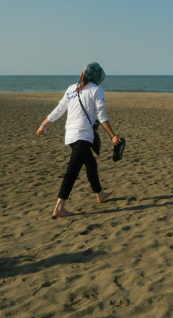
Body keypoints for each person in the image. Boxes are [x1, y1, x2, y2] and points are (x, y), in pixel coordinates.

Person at [36, 63, 122, 218]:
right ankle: (59, 207)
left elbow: (59, 110)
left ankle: (100, 194)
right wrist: (112, 136)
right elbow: (102, 116)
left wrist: (43, 125)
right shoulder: (97, 90)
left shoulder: (71, 89)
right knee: (72, 171)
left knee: (90, 163)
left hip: (70, 136)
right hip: (83, 136)